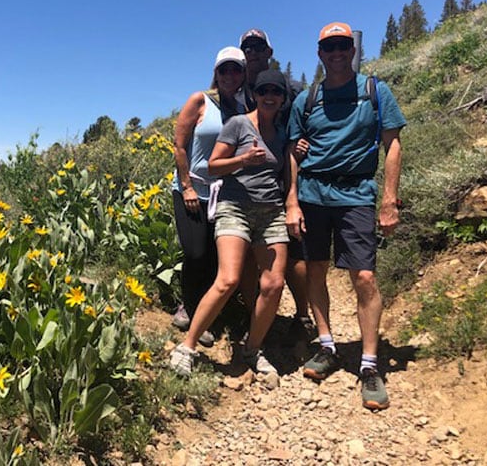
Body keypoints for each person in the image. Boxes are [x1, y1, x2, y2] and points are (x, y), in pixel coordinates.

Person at [285, 22, 406, 410]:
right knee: (315, 268)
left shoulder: (375, 91)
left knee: (364, 276)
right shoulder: (309, 98)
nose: (336, 53)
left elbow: (393, 145)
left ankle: (370, 364)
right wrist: (292, 200)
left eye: (342, 46)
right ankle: (327, 344)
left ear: (352, 50)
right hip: (313, 193)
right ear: (319, 53)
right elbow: (293, 150)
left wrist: (389, 199)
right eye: (328, 47)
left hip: (356, 192)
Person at [170, 69, 293, 378]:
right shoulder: (238, 124)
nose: (268, 96)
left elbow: (288, 170)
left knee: (274, 284)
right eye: (263, 90)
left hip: (270, 212)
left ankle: (253, 348)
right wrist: (242, 160)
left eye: (275, 92)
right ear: (256, 94)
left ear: (282, 98)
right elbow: (213, 164)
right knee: (228, 279)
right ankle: (187, 346)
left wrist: (291, 202)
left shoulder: (282, 131)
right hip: (235, 206)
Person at [238, 29, 314, 344]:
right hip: (249, 185)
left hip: (289, 181)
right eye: (247, 48)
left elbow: (308, 124)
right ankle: (249, 317)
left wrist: (302, 144)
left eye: (258, 47)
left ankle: (302, 316)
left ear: (269, 50)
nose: (252, 52)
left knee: (296, 253)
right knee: (245, 255)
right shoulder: (235, 90)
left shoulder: (293, 90)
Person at [171, 46, 247, 348]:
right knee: (196, 252)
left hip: (224, 192)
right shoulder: (200, 101)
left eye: (236, 70)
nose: (230, 75)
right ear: (216, 73)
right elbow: (179, 146)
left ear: (242, 75)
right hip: (192, 190)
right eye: (224, 69)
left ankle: (205, 315)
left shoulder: (240, 110)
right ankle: (187, 306)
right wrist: (187, 185)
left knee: (216, 257)